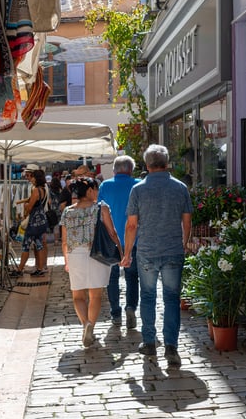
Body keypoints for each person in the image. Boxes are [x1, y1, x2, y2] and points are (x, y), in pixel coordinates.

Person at [121, 144, 192, 369]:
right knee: (171, 298)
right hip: (172, 249)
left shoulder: (139, 190)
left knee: (148, 296)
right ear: (167, 163)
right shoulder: (180, 187)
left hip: (147, 251)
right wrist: (184, 242)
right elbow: (187, 220)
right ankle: (171, 346)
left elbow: (131, 225)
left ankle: (149, 342)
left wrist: (127, 253)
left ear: (147, 165)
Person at [61, 177, 122, 347]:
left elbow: (64, 241)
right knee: (95, 296)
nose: (97, 192)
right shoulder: (101, 208)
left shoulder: (67, 212)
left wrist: (66, 260)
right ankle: (91, 327)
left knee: (78, 296)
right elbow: (112, 233)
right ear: (89, 191)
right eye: (95, 189)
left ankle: (85, 324)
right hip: (97, 254)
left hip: (75, 255)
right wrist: (121, 251)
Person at [98, 156, 141, 329]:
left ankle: (115, 313)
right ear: (131, 170)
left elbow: (100, 211)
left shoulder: (105, 186)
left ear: (114, 170)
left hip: (111, 239)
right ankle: (131, 307)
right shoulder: (138, 184)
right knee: (132, 276)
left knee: (112, 277)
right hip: (135, 239)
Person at [11, 169, 48, 277]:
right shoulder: (43, 190)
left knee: (26, 245)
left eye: (32, 177)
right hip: (41, 221)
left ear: (36, 178)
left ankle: (19, 269)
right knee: (39, 244)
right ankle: (40, 269)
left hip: (33, 222)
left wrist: (25, 208)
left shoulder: (36, 190)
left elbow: (30, 207)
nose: (31, 179)